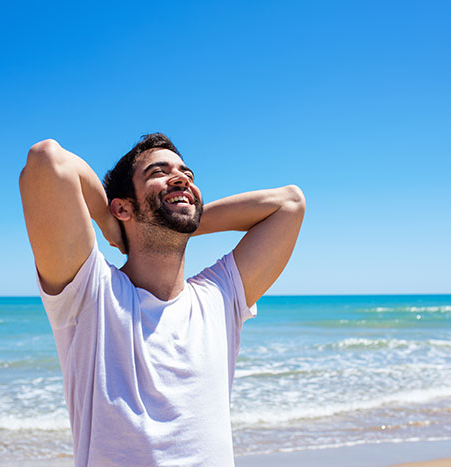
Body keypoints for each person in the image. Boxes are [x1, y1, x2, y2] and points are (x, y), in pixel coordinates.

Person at [19, 133, 305, 466]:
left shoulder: (219, 296)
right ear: (122, 206)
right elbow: (47, 160)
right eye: (159, 172)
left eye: (187, 175)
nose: (181, 178)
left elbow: (290, 203)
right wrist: (111, 226)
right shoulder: (92, 294)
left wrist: (181, 220)